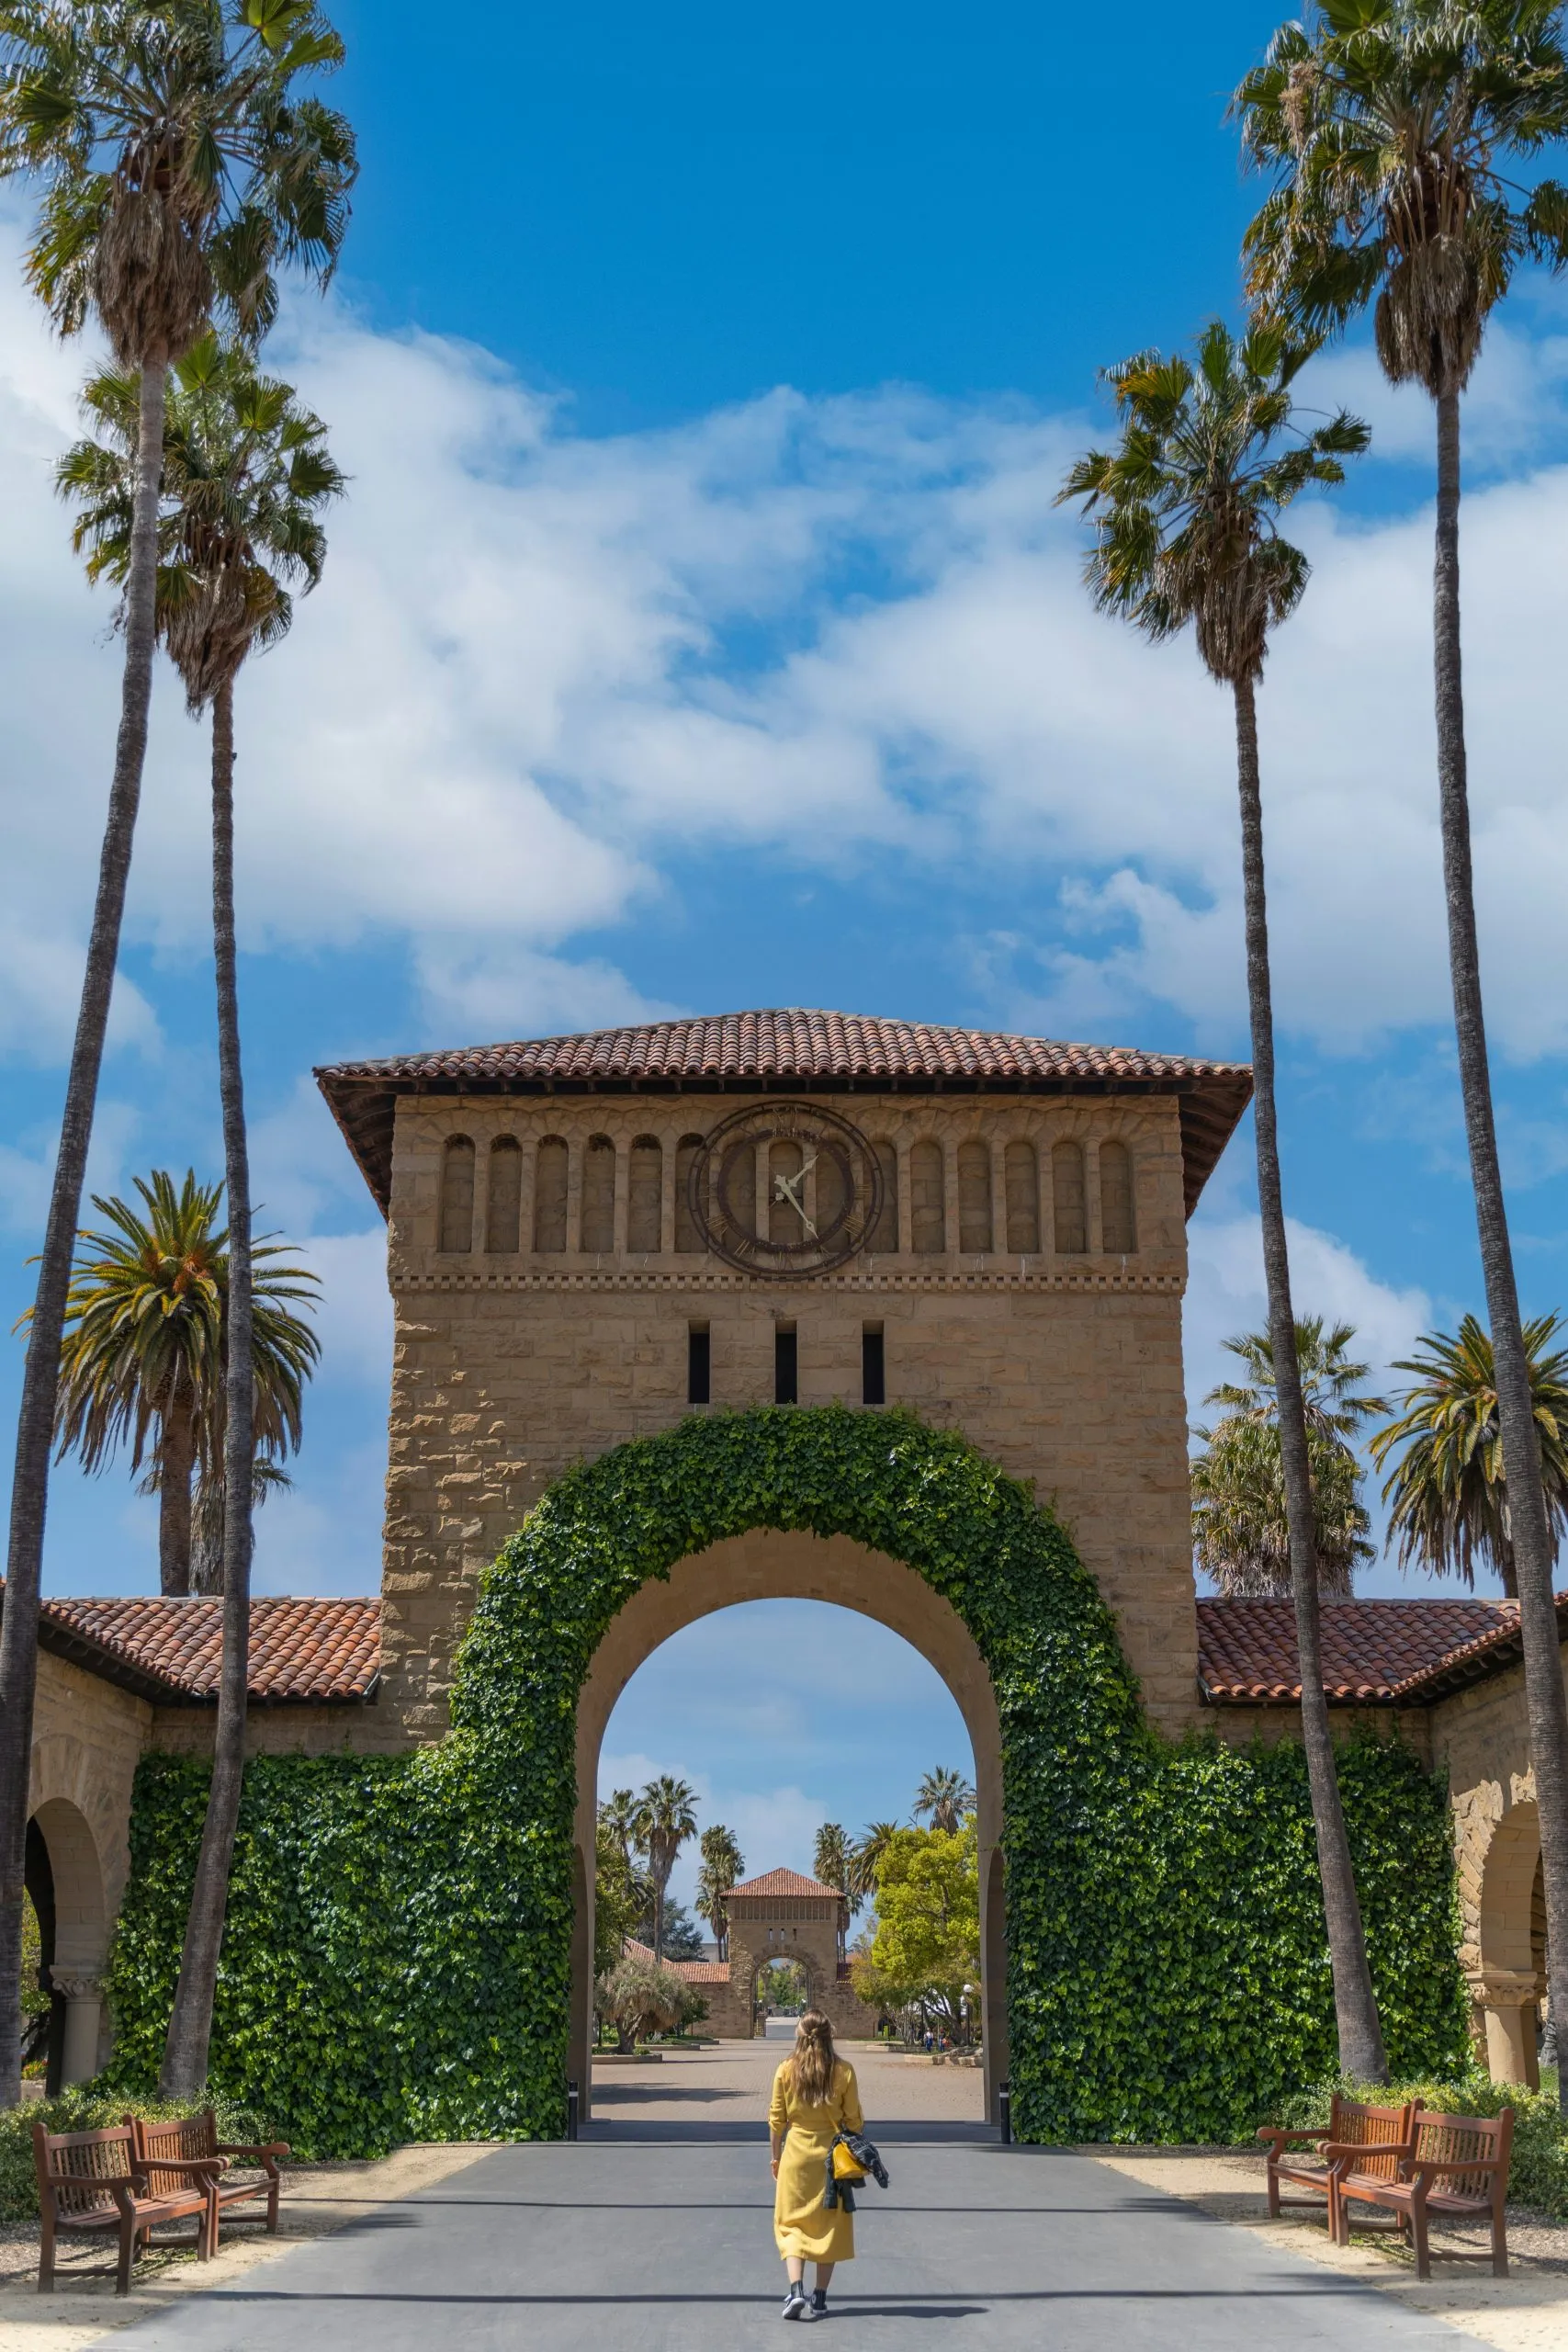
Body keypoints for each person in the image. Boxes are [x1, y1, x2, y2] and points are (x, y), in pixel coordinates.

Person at [769, 2007, 863, 2322]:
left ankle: (796, 2289)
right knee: (829, 2224)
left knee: (791, 2222)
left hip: (795, 2153)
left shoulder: (785, 2070)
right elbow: (854, 2121)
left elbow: (776, 2120)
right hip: (831, 2158)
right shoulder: (844, 2071)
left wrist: (776, 2156)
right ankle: (819, 2296)